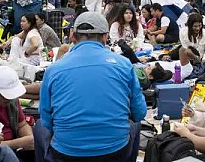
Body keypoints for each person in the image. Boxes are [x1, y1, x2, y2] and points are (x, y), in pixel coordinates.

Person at [39, 11, 146, 161]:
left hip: (67, 152)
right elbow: (140, 113)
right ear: (105, 37)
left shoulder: (54, 69)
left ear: (72, 36)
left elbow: (46, 118)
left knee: (39, 127)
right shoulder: (123, 64)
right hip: (115, 150)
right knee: (136, 125)